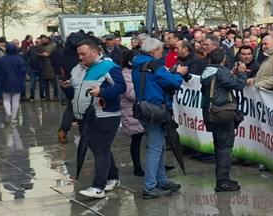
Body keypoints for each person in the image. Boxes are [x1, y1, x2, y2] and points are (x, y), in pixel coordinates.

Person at [62, 40, 126, 199]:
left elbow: (121, 87)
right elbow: (75, 93)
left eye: (83, 54)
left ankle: (98, 187)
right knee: (101, 148)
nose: (80, 57)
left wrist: (102, 92)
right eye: (79, 54)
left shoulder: (109, 66)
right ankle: (113, 178)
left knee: (101, 149)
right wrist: (67, 88)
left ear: (95, 52)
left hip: (105, 115)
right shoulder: (78, 69)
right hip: (84, 117)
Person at [132, 37, 186, 199]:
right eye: (160, 51)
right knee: (155, 149)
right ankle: (150, 187)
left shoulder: (137, 64)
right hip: (155, 110)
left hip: (143, 108)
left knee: (158, 146)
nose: (161, 54)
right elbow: (172, 82)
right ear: (154, 51)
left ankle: (162, 180)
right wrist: (178, 74)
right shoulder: (155, 66)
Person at [200, 48, 247, 192]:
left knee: (219, 145)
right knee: (225, 148)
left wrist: (230, 74)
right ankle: (222, 181)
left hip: (210, 113)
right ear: (224, 60)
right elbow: (238, 85)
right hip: (222, 113)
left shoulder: (206, 71)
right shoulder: (222, 72)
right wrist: (242, 73)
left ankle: (222, 178)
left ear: (209, 60)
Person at [118, 50, 145, 177]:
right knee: (136, 139)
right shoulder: (125, 75)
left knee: (153, 139)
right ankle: (137, 167)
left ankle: (158, 164)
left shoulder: (136, 72)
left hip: (140, 110)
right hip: (132, 111)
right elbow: (131, 94)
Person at [0, 43, 27, 125]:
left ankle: (8, 113)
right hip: (17, 82)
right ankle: (13, 118)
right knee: (16, 101)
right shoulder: (20, 60)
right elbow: (24, 71)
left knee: (6, 99)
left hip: (5, 81)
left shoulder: (1, 60)